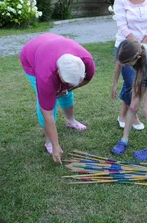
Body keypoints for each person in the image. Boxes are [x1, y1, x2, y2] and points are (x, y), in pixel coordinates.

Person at [20, 33, 95, 164]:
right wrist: (56, 145)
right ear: (59, 72)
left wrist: (67, 89)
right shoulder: (45, 77)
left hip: (52, 44)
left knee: (66, 93)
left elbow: (86, 79)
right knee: (48, 101)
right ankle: (48, 140)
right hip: (31, 56)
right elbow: (47, 113)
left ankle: (71, 121)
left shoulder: (86, 61)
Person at [112, 0, 147, 130]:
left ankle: (122, 115)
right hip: (125, 48)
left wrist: (143, 44)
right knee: (131, 82)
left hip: (145, 48)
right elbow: (122, 25)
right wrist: (135, 45)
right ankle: (134, 115)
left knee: (139, 83)